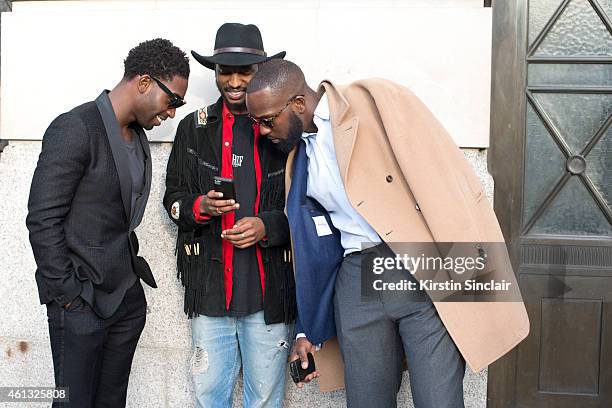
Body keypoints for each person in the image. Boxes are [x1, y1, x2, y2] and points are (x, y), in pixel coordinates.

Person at [245, 59, 530, 407]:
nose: (261, 131)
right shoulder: (300, 157)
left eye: (266, 120)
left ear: (298, 104)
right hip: (355, 278)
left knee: (438, 399)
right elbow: (313, 250)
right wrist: (307, 327)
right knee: (367, 400)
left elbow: (445, 180)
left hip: (417, 264)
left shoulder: (371, 101)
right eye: (255, 122)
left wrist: (474, 278)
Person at [26, 38, 189, 407]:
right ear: (144, 82)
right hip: (81, 301)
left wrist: (133, 294)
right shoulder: (75, 128)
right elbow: (42, 219)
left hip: (124, 302)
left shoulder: (137, 137)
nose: (173, 112)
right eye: (173, 100)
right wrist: (69, 296)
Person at [163, 23, 295, 408]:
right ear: (215, 73)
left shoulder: (280, 129)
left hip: (268, 291)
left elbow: (307, 209)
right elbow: (173, 197)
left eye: (245, 71)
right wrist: (197, 207)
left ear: (261, 72)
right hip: (209, 292)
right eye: (225, 71)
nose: (234, 81)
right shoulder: (194, 127)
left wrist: (266, 226)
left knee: (266, 400)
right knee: (209, 397)